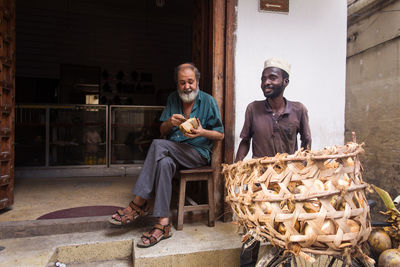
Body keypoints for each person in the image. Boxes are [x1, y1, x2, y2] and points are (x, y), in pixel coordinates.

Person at [109, 63, 224, 248]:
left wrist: (202, 132)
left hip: (196, 154)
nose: (187, 87)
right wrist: (170, 122)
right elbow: (162, 131)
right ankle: (163, 224)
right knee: (163, 163)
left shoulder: (208, 101)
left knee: (157, 145)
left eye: (190, 82)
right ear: (177, 84)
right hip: (173, 150)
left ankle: (138, 203)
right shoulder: (173, 99)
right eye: (182, 83)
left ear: (198, 81)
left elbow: (220, 134)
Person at [235, 57, 311, 267]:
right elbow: (245, 141)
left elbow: (306, 142)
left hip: (287, 182)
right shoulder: (253, 109)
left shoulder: (298, 110)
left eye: (272, 78)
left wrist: (301, 174)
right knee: (252, 230)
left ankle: (282, 264)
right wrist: (237, 169)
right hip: (259, 182)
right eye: (263, 78)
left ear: (285, 82)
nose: (266, 82)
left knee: (284, 229)